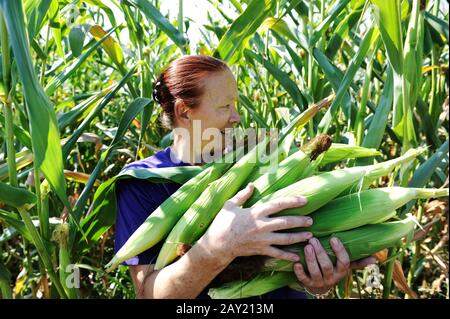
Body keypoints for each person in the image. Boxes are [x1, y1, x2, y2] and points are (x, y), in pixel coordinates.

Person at [114, 55, 375, 299]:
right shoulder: (143, 182)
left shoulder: (270, 159)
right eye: (224, 106)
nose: (236, 117)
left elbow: (299, 245)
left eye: (235, 105)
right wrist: (220, 247)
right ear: (184, 111)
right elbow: (148, 293)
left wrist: (315, 279)